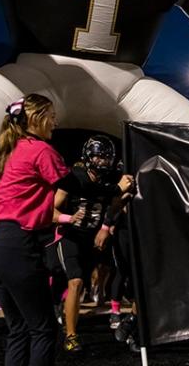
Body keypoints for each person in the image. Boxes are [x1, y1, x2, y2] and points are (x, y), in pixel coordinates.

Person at [0, 94, 75, 366]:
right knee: (43, 329)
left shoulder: (15, 149)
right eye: (52, 115)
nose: (55, 122)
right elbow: (75, 185)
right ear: (36, 118)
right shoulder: (40, 150)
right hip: (16, 248)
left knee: (19, 330)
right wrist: (116, 189)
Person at [53, 135, 133, 354]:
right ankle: (71, 336)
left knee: (92, 280)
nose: (102, 163)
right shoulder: (74, 177)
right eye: (98, 157)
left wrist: (106, 227)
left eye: (106, 158)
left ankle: (62, 307)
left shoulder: (110, 181)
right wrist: (68, 218)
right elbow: (50, 210)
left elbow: (116, 203)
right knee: (76, 282)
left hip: (92, 238)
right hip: (71, 236)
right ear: (88, 157)